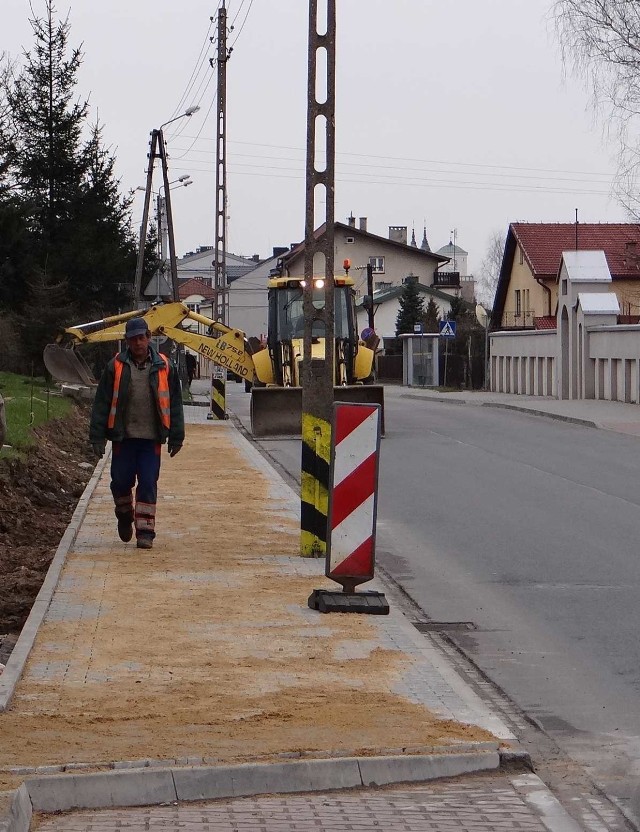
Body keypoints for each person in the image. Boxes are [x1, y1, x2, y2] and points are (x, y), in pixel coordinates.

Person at [89, 317, 185, 550]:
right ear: (127, 341)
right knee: (120, 482)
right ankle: (124, 514)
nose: (139, 343)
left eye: (142, 338)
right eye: (133, 339)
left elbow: (174, 403)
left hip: (151, 439)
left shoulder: (164, 365)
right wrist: (97, 436)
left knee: (148, 482)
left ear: (149, 338)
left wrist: (176, 435)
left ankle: (145, 531)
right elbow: (101, 403)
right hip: (124, 438)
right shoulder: (116, 367)